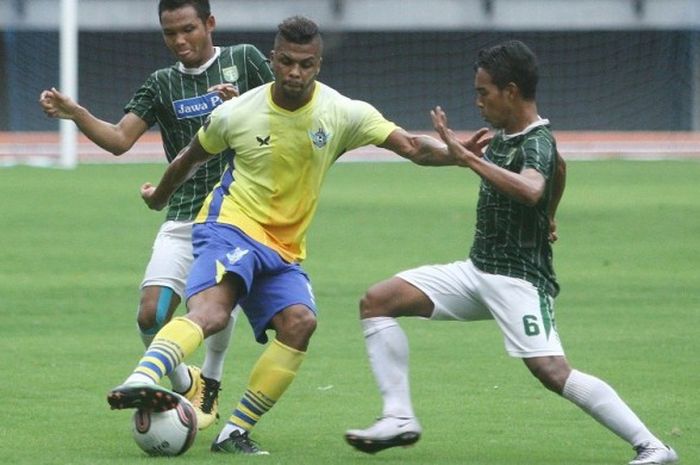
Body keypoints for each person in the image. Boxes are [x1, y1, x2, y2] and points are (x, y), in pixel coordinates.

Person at [104, 15, 490, 455]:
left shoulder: (343, 112)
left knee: (300, 323)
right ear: (272, 60)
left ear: (319, 64)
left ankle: (233, 432)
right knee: (212, 311)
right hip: (229, 226)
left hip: (283, 248)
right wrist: (159, 199)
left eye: (305, 64)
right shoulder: (238, 111)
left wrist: (457, 156)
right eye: (286, 61)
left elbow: (411, 146)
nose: (294, 72)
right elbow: (189, 159)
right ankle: (140, 380)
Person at [343, 40, 678, 465]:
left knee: (553, 372)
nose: (478, 101)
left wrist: (472, 161)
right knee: (377, 301)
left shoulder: (536, 141)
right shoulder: (508, 135)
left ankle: (654, 447)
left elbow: (534, 185)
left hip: (518, 280)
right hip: (477, 271)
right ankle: (398, 418)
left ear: (511, 91)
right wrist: (550, 216)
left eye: (484, 92)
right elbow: (559, 172)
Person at [39, 0, 273, 430]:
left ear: (210, 23)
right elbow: (118, 140)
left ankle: (214, 381)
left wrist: (243, 105)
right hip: (182, 215)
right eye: (170, 33)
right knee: (151, 314)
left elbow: (285, 118)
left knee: (214, 308)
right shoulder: (162, 83)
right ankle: (186, 381)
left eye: (188, 29)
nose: (180, 41)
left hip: (239, 215)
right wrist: (76, 113)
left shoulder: (246, 60)